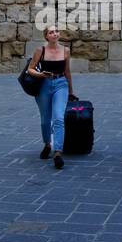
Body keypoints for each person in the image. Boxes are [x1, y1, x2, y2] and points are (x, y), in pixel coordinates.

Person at [27, 25, 75, 168]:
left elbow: (67, 71)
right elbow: (30, 69)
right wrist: (41, 74)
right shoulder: (40, 50)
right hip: (44, 85)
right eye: (51, 32)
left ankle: (58, 152)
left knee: (59, 117)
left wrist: (71, 91)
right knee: (45, 119)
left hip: (61, 84)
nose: (55, 34)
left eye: (56, 31)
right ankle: (47, 144)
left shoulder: (66, 50)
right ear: (46, 36)